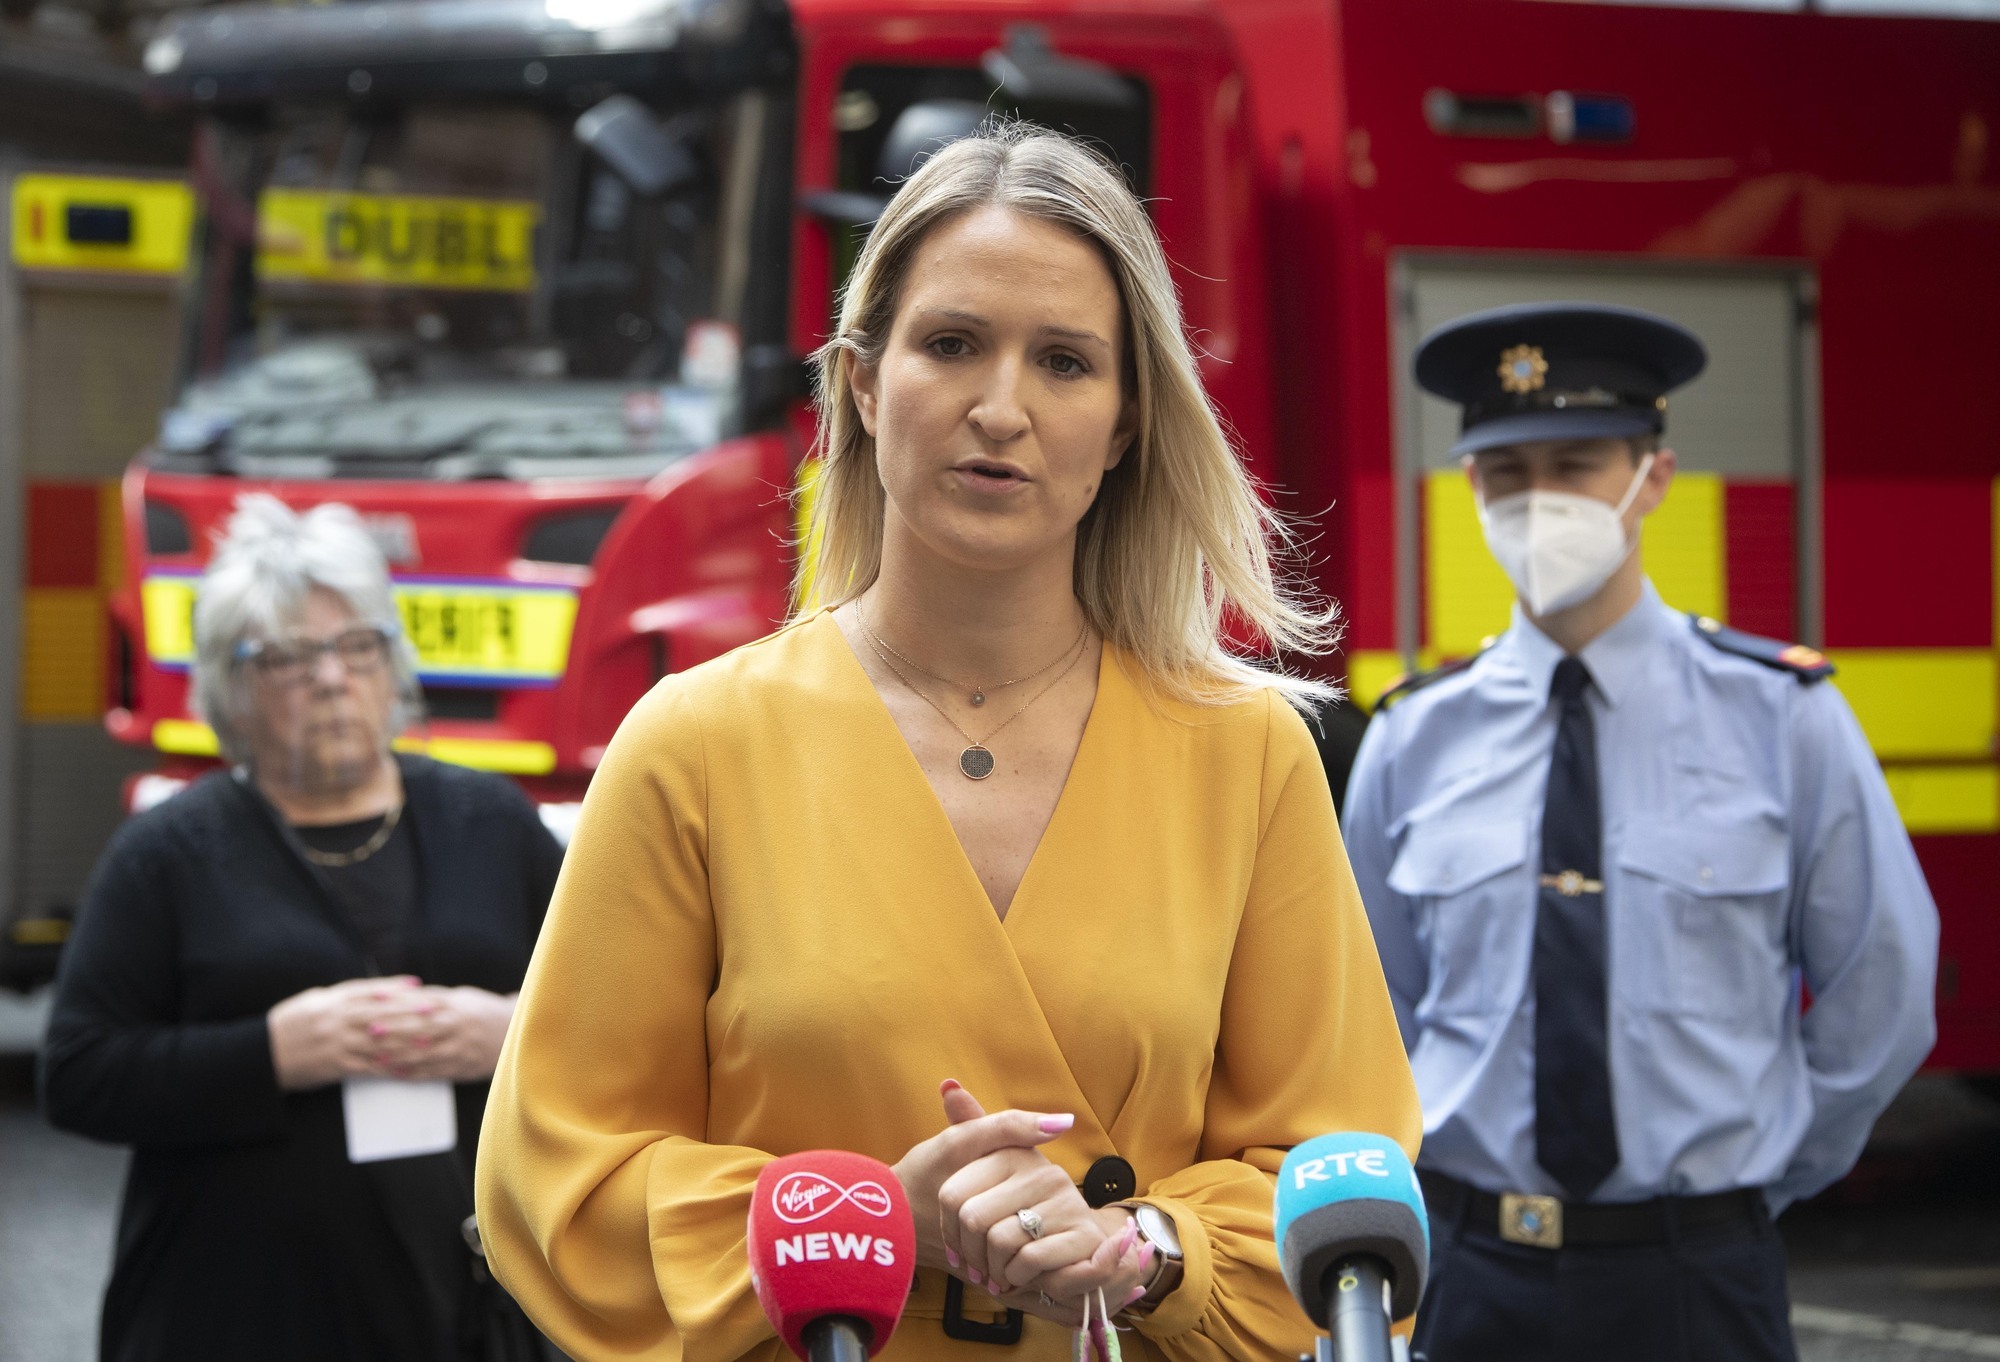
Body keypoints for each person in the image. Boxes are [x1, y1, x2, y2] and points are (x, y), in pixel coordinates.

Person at [475, 124, 1419, 1362]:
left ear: (1125, 424)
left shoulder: (1246, 754)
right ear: (863, 385)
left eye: (1065, 362)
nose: (1000, 408)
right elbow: (561, 1177)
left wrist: (1144, 1251)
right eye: (952, 344)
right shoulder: (694, 743)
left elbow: (1340, 1168)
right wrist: (871, 1218)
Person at [1342, 303, 1939, 1362]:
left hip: (1697, 1275)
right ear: (1470, 487)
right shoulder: (1411, 736)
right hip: (1470, 1272)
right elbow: (1365, 1015)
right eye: (1506, 472)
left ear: (1651, 477)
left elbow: (1880, 996)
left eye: (1574, 464)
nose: (1538, 500)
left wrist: (1747, 1181)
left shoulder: (1783, 716)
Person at [40, 494, 564, 1362]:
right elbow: (78, 1074)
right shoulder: (167, 853)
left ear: (392, 665)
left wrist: (510, 1035)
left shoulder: (491, 823)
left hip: (471, 1311)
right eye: (291, 657)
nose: (332, 678)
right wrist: (274, 1052)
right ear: (232, 690)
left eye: (357, 646)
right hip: (234, 1317)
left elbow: (629, 1027)